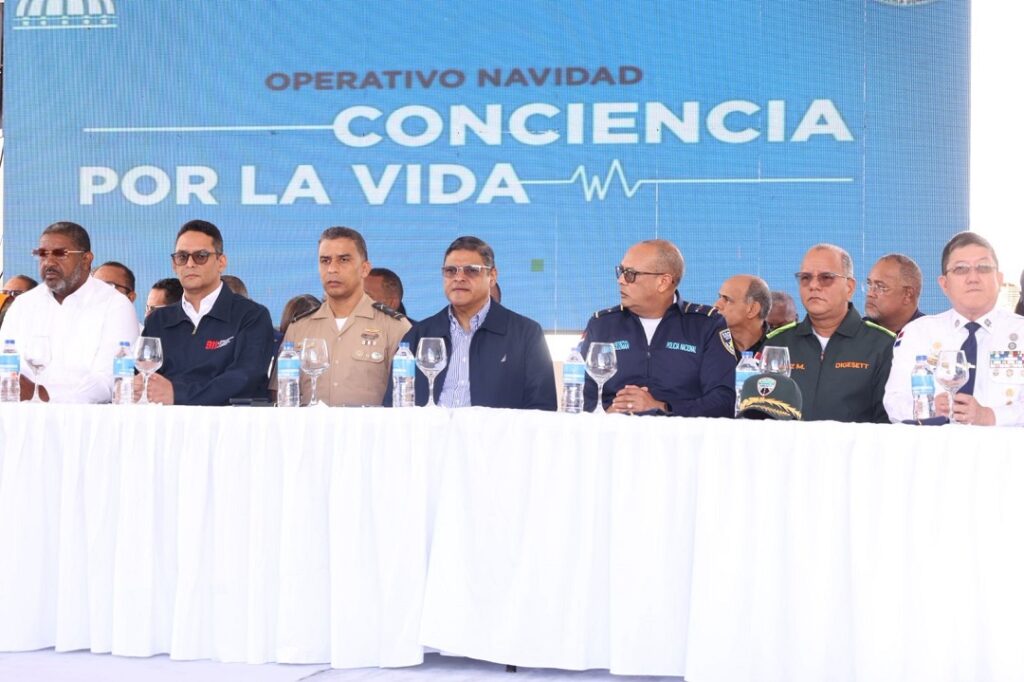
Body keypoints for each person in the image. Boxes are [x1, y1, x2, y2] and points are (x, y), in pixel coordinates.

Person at [386, 235, 556, 410]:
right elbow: (393, 405)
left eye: (471, 270)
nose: (459, 278)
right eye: (451, 270)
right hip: (430, 428)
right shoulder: (420, 334)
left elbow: (542, 408)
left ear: (492, 276)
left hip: (495, 429)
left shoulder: (525, 334)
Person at [581, 239, 735, 416]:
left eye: (630, 274)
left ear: (663, 282)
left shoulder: (706, 325)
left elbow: (723, 401)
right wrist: (607, 413)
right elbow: (581, 395)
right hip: (613, 430)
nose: (621, 280)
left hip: (681, 431)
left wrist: (662, 407)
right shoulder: (602, 324)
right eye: (620, 271)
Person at [884, 232, 1024, 426]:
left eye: (983, 268)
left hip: (1006, 445)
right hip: (936, 444)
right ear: (944, 284)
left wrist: (990, 416)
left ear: (999, 279)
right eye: (960, 269)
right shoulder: (918, 333)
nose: (973, 278)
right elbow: (893, 401)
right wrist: (929, 408)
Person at [137, 219, 275, 405]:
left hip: (231, 421)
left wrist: (177, 394)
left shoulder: (252, 316)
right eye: (182, 257)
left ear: (221, 262)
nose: (190, 264)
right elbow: (144, 376)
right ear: (174, 264)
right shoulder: (158, 321)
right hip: (167, 420)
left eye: (200, 256)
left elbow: (245, 378)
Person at [0, 221, 138, 402]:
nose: (49, 262)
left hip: (87, 418)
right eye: (42, 254)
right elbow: (5, 367)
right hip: (20, 416)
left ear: (86, 259)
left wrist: (43, 395)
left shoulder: (115, 305)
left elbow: (111, 380)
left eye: (60, 254)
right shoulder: (23, 305)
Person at [277, 227, 410, 406]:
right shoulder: (299, 327)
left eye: (344, 260)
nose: (332, 269)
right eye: (325, 261)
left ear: (364, 269)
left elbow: (410, 398)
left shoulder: (394, 326)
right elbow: (280, 396)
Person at [765, 244, 894, 423]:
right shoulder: (777, 343)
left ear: (849, 287)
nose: (813, 285)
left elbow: (889, 422)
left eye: (826, 278)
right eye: (805, 278)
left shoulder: (883, 345)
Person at [714, 274, 772, 360]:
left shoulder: (779, 346)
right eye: (720, 297)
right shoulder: (708, 343)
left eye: (727, 299)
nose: (716, 305)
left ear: (752, 309)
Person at [863, 254, 924, 333]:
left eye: (881, 287)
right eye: (869, 284)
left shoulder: (931, 335)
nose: (870, 293)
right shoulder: (857, 332)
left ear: (907, 295)